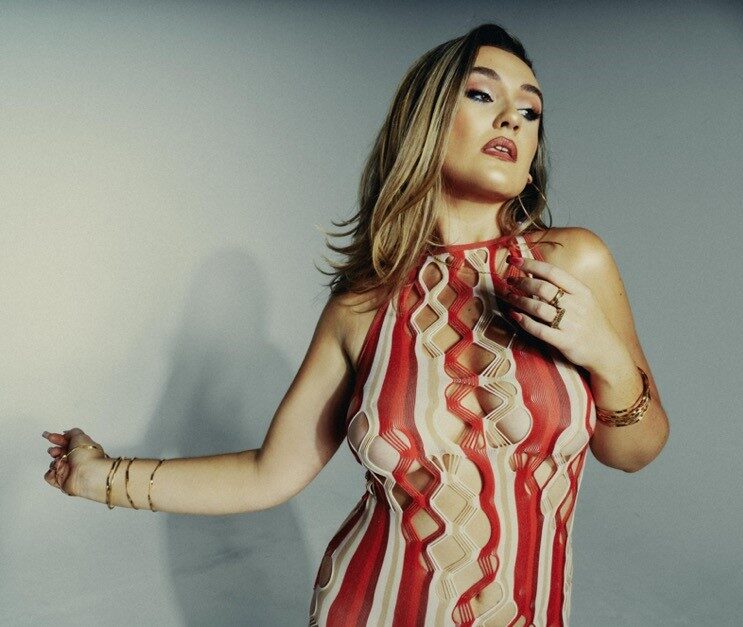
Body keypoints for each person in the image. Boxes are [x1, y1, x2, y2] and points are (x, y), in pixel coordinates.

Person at [42, 22, 669, 626]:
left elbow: (635, 451)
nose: (512, 119)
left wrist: (606, 355)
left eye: (530, 112)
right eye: (482, 95)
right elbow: (269, 473)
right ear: (425, 125)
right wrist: (101, 477)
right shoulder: (362, 307)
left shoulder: (574, 262)